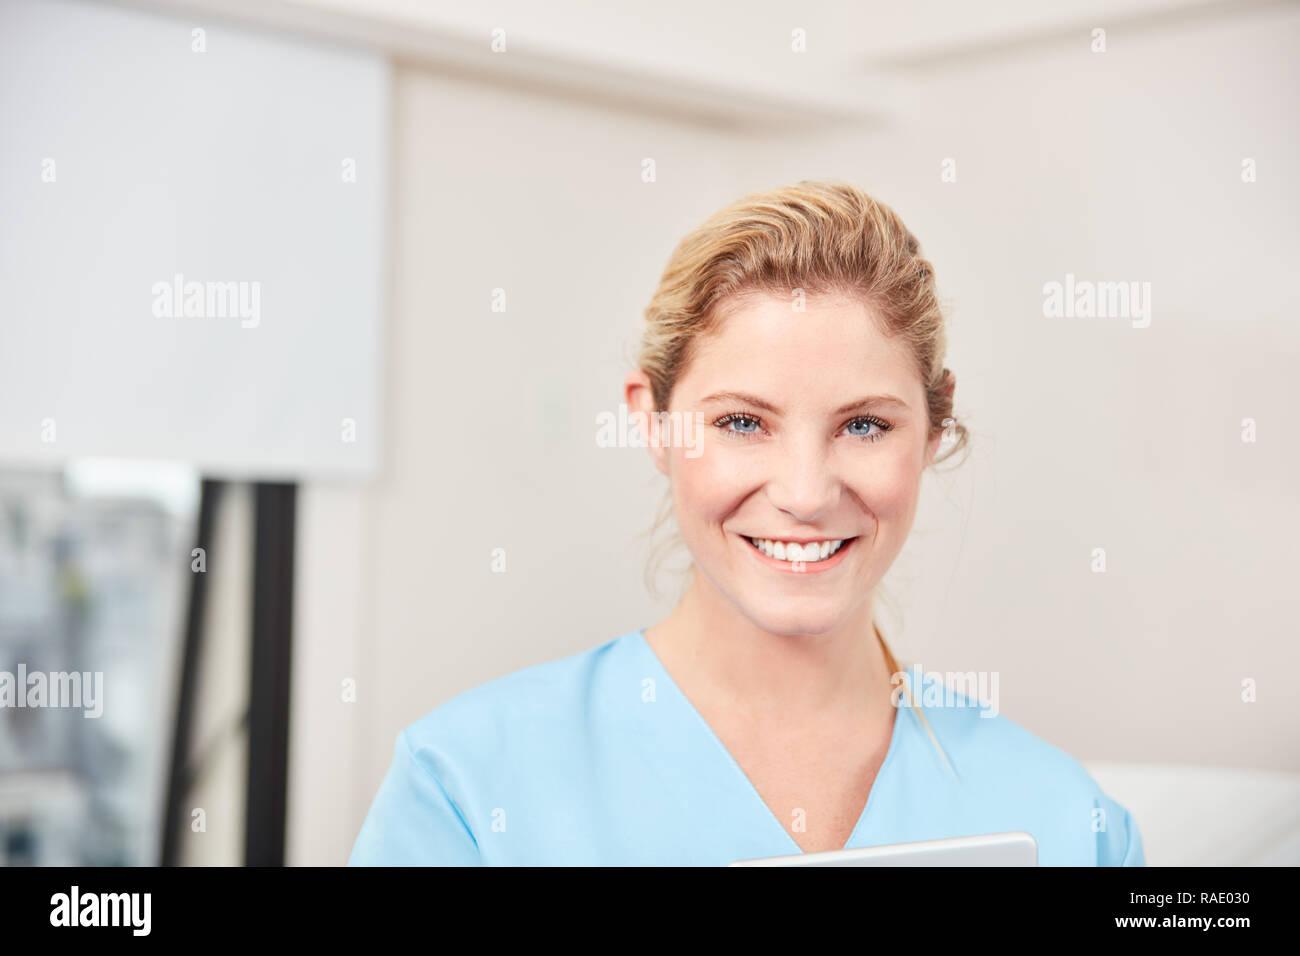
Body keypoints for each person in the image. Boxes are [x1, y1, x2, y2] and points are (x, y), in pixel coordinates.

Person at [348, 181, 1145, 866]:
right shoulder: (465, 786)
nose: (805, 493)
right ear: (654, 422)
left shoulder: (1070, 823)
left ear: (933, 429)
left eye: (864, 425)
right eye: (741, 423)